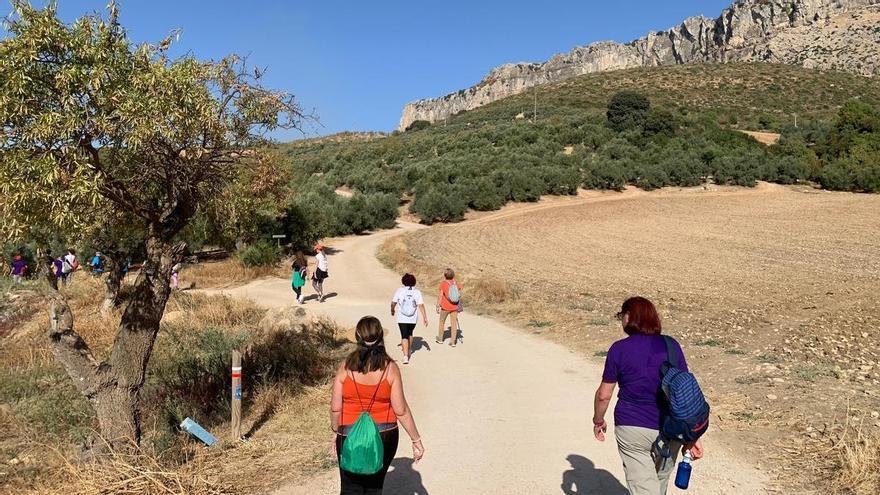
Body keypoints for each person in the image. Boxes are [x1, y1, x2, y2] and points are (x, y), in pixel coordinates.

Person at [592, 296, 704, 495]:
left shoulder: (619, 349)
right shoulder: (671, 346)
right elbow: (686, 393)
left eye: (622, 315)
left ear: (630, 316)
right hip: (671, 429)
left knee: (645, 488)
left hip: (632, 428)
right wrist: (692, 436)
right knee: (658, 484)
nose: (621, 320)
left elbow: (604, 395)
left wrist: (598, 420)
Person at [331, 316, 424, 494]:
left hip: (348, 433)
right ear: (381, 337)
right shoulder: (390, 368)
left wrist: (336, 433)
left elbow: (336, 408)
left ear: (357, 339)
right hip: (384, 434)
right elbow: (401, 410)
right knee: (375, 487)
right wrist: (416, 439)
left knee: (350, 487)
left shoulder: (345, 367)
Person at [391, 273, 428, 365]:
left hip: (402, 317)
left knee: (404, 335)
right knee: (410, 333)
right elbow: (421, 305)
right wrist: (425, 317)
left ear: (403, 281)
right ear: (414, 282)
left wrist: (392, 309)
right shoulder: (417, 292)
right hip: (412, 317)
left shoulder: (400, 291)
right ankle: (409, 350)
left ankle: (405, 356)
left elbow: (393, 302)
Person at [435, 268, 462, 347]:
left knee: (442, 322)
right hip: (454, 307)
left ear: (445, 276)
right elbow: (459, 292)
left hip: (445, 307)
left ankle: (440, 338)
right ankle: (453, 342)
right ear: (453, 275)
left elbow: (440, 295)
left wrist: (438, 305)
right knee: (454, 324)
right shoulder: (456, 283)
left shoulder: (443, 284)